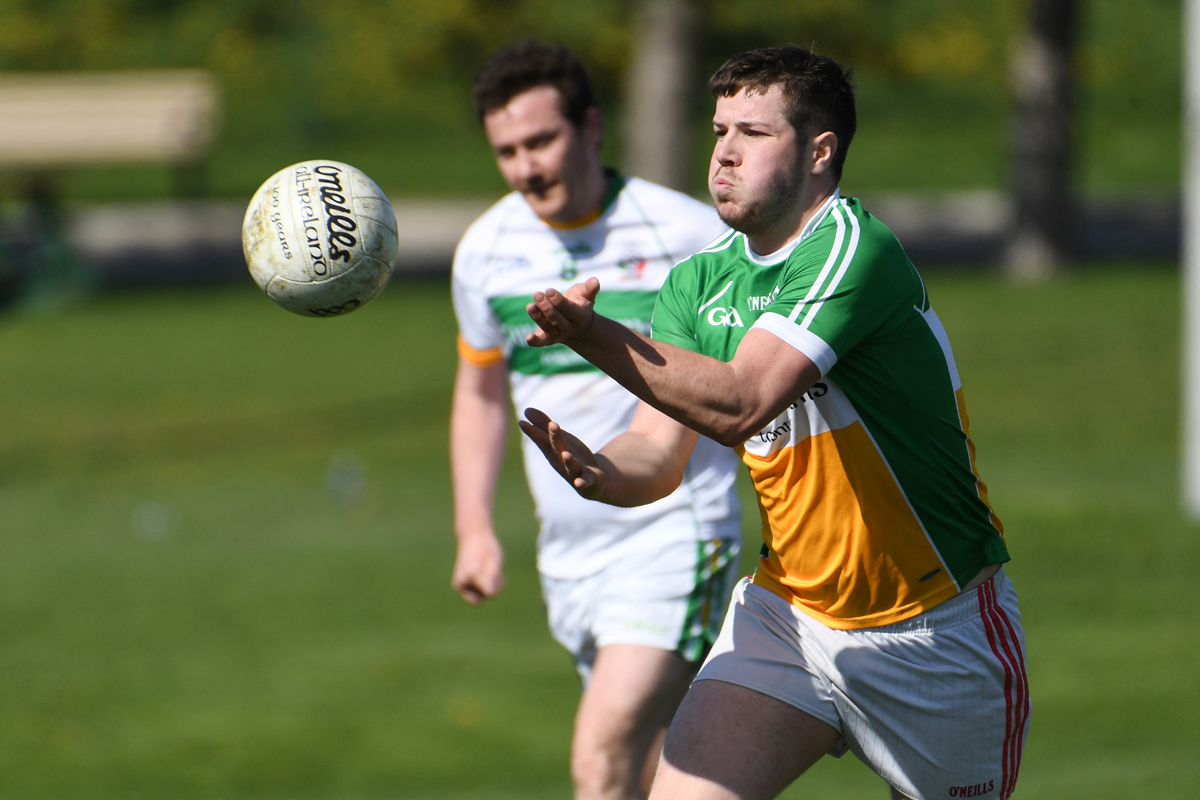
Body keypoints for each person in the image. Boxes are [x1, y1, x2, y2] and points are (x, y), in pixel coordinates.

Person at [520, 46, 1030, 800]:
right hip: (787, 620)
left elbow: (740, 401)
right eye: (719, 130)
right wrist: (602, 472)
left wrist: (590, 334)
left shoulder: (853, 250)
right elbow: (659, 456)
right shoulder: (698, 280)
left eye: (752, 134)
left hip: (934, 632)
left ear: (820, 151)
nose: (722, 153)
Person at [448, 41, 745, 800]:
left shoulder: (687, 234)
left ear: (591, 127)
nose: (525, 167)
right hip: (570, 556)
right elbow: (481, 393)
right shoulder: (486, 251)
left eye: (540, 141)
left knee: (600, 754)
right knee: (654, 777)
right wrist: (475, 529)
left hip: (678, 530)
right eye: (506, 151)